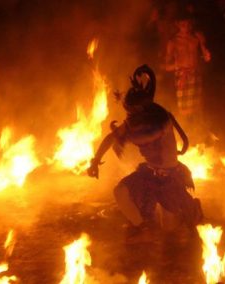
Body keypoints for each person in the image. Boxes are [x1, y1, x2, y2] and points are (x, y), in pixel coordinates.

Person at [87, 65, 203, 243]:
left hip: (169, 178)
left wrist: (122, 137)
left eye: (132, 110)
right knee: (120, 192)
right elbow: (112, 137)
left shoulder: (160, 119)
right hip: (148, 173)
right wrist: (95, 160)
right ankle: (142, 226)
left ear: (142, 108)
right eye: (129, 110)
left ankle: (191, 208)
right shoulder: (136, 119)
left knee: (170, 229)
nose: (129, 113)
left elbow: (144, 138)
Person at [165, 13, 211, 129]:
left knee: (198, 105)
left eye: (187, 23)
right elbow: (166, 65)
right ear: (177, 24)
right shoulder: (173, 41)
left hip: (195, 74)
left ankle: (201, 131)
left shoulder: (196, 37)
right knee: (184, 109)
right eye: (182, 24)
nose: (185, 26)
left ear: (191, 24)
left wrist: (204, 48)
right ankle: (186, 130)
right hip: (182, 76)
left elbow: (206, 57)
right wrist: (177, 65)